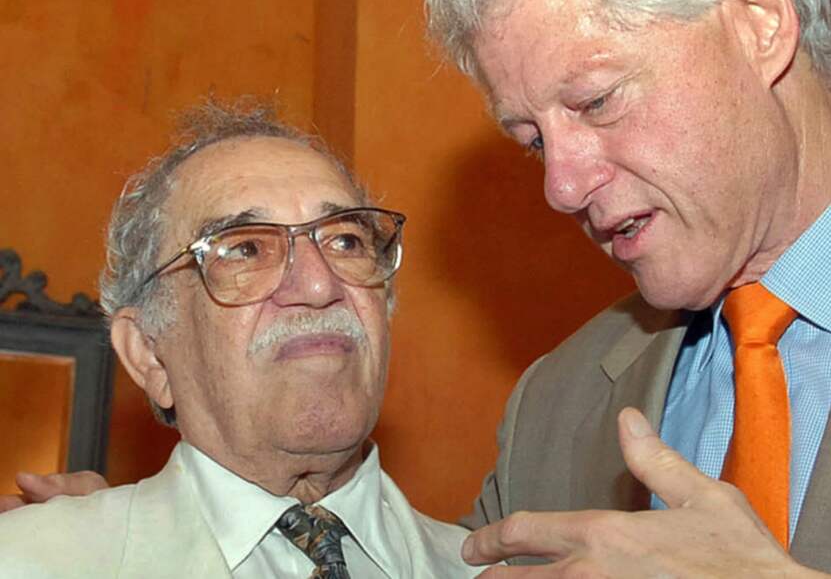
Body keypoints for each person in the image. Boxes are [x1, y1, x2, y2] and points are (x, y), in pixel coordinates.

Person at [421, 0, 831, 577]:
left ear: (759, 21)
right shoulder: (553, 403)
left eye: (597, 101)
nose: (562, 188)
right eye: (536, 142)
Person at [0, 101, 481, 578]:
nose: (319, 285)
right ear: (148, 352)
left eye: (345, 242)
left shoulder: (491, 569)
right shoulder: (27, 562)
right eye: (246, 249)